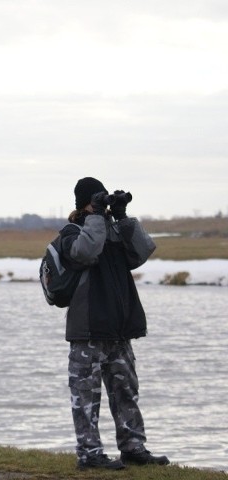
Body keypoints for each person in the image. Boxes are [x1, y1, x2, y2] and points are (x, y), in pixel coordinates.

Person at [61, 177, 170, 470]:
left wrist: (122, 216)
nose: (103, 203)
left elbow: (143, 250)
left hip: (119, 330)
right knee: (87, 399)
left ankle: (133, 448)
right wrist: (96, 216)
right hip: (88, 331)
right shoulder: (72, 233)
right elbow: (86, 252)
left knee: (126, 394)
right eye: (96, 198)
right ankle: (89, 454)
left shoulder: (112, 230)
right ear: (85, 201)